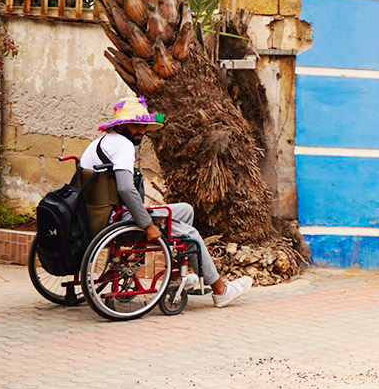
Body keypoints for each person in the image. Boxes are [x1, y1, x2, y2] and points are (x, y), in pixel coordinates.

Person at [80, 98, 252, 308]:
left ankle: (174, 279)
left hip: (100, 214)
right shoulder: (123, 146)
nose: (141, 131)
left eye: (144, 126)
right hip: (120, 219)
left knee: (185, 210)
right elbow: (125, 188)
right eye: (136, 125)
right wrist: (148, 225)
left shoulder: (99, 143)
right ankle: (220, 290)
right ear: (121, 125)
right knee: (191, 235)